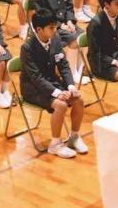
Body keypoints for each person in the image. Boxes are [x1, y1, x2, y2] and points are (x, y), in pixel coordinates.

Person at [20, 9, 88, 158]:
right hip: (33, 89)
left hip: (52, 82)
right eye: (51, 27)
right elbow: (36, 77)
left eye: (55, 26)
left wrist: (70, 86)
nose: (55, 30)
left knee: (79, 100)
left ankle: (74, 137)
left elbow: (63, 65)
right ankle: (55, 144)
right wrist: (57, 93)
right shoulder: (27, 48)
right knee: (61, 105)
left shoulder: (55, 39)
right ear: (39, 29)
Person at [33, 0, 86, 80]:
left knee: (84, 36)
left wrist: (70, 21)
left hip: (66, 23)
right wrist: (60, 25)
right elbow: (43, 14)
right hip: (52, 27)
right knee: (74, 39)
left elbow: (69, 5)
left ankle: (80, 70)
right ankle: (71, 73)